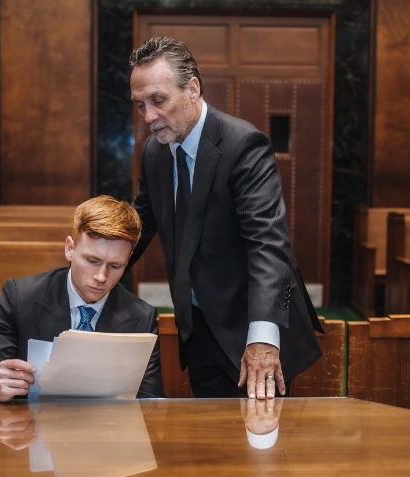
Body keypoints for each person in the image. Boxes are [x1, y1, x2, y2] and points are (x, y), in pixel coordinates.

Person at [128, 36, 323, 400]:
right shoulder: (154, 153)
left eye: (158, 100)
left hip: (249, 326)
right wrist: (88, 271)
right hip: (197, 326)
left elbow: (269, 246)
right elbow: (137, 227)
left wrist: (264, 339)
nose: (149, 117)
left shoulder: (242, 144)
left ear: (192, 88)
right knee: (211, 447)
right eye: (140, 106)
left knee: (259, 446)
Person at [0, 195, 166, 401]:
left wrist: (134, 406)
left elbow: (152, 401)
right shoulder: (20, 297)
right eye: (92, 260)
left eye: (115, 266)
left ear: (128, 260)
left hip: (105, 434)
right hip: (29, 431)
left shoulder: (142, 316)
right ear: (70, 249)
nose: (101, 277)